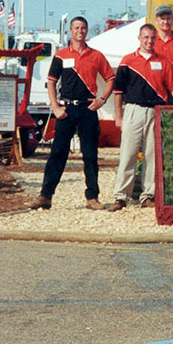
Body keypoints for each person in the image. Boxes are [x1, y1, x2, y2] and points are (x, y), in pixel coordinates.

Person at [30, 16, 115, 210]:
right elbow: (51, 82)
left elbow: (111, 78)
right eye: (76, 27)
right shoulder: (60, 55)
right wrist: (56, 107)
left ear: (87, 31)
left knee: (90, 154)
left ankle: (92, 197)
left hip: (88, 109)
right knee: (57, 153)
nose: (80, 31)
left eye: (83, 28)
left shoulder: (97, 55)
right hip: (66, 110)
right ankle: (45, 196)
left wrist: (102, 99)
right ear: (70, 30)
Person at [108, 24, 173, 212]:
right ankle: (121, 197)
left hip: (155, 111)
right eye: (145, 37)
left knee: (151, 155)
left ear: (156, 39)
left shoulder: (164, 62)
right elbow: (118, 92)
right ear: (139, 38)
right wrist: (118, 117)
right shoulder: (127, 61)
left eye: (152, 38)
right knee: (128, 154)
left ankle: (148, 196)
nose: (149, 41)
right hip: (133, 110)